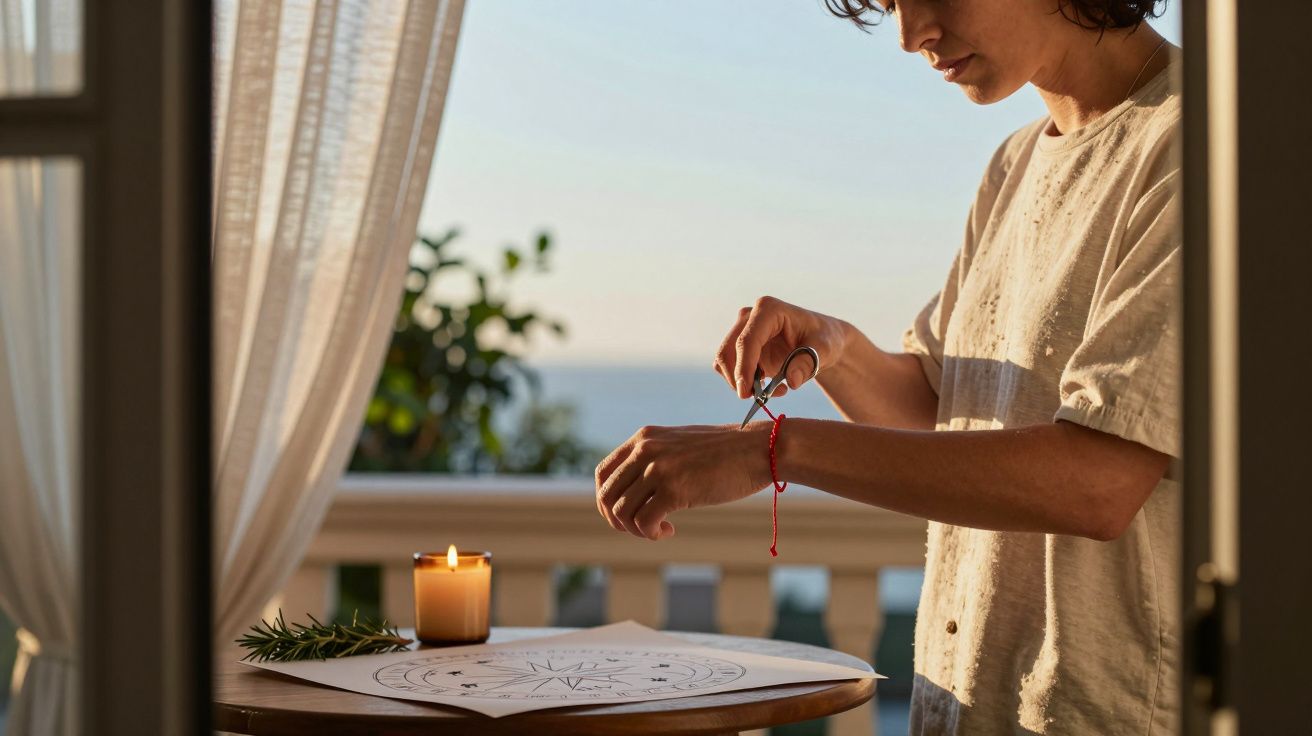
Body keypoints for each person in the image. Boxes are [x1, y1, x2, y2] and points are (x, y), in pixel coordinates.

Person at [594, 0, 1181, 732]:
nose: (911, 36)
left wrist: (774, 450)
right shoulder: (1017, 162)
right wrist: (838, 348)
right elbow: (941, 412)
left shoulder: (1196, 148)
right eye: (892, 3)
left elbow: (1099, 482)